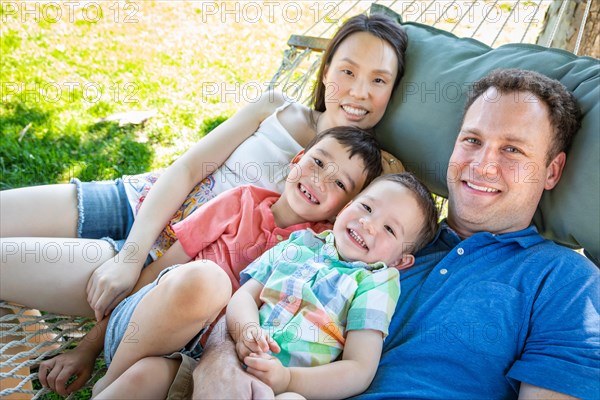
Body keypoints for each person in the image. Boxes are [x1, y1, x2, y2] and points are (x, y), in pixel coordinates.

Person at [191, 69, 600, 400]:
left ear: (552, 170)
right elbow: (259, 304)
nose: (483, 164)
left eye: (513, 150)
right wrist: (221, 362)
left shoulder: (565, 281)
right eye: (471, 140)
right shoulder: (364, 240)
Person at [0, 12, 408, 323]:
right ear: (326, 71)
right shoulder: (276, 108)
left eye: (378, 81)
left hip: (169, 264)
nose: (357, 91)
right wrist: (128, 257)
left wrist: (131, 262)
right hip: (138, 201)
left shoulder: (376, 180)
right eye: (348, 71)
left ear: (393, 91)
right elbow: (189, 168)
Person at [35, 126, 384, 398]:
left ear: (345, 208)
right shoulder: (238, 204)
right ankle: (107, 382)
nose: (319, 180)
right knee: (209, 281)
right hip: (145, 326)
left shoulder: (317, 250)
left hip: (204, 363)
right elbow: (156, 273)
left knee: (151, 379)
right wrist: (88, 347)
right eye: (318, 162)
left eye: (339, 182)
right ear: (296, 160)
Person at [226, 173, 438, 399]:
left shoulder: (374, 283)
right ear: (347, 206)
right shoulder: (301, 242)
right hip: (235, 359)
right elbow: (245, 296)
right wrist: (246, 330)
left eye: (389, 229)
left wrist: (288, 379)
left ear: (400, 261)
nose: (368, 224)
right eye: (366, 207)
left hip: (288, 388)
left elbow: (359, 369)